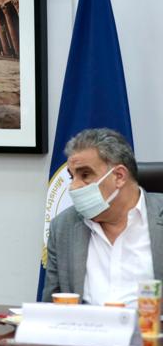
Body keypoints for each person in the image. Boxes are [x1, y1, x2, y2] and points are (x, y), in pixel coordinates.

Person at [42, 128, 163, 305]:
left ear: (119, 176)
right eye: (72, 177)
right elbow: (51, 308)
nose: (73, 187)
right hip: (85, 323)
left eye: (85, 175)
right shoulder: (63, 227)